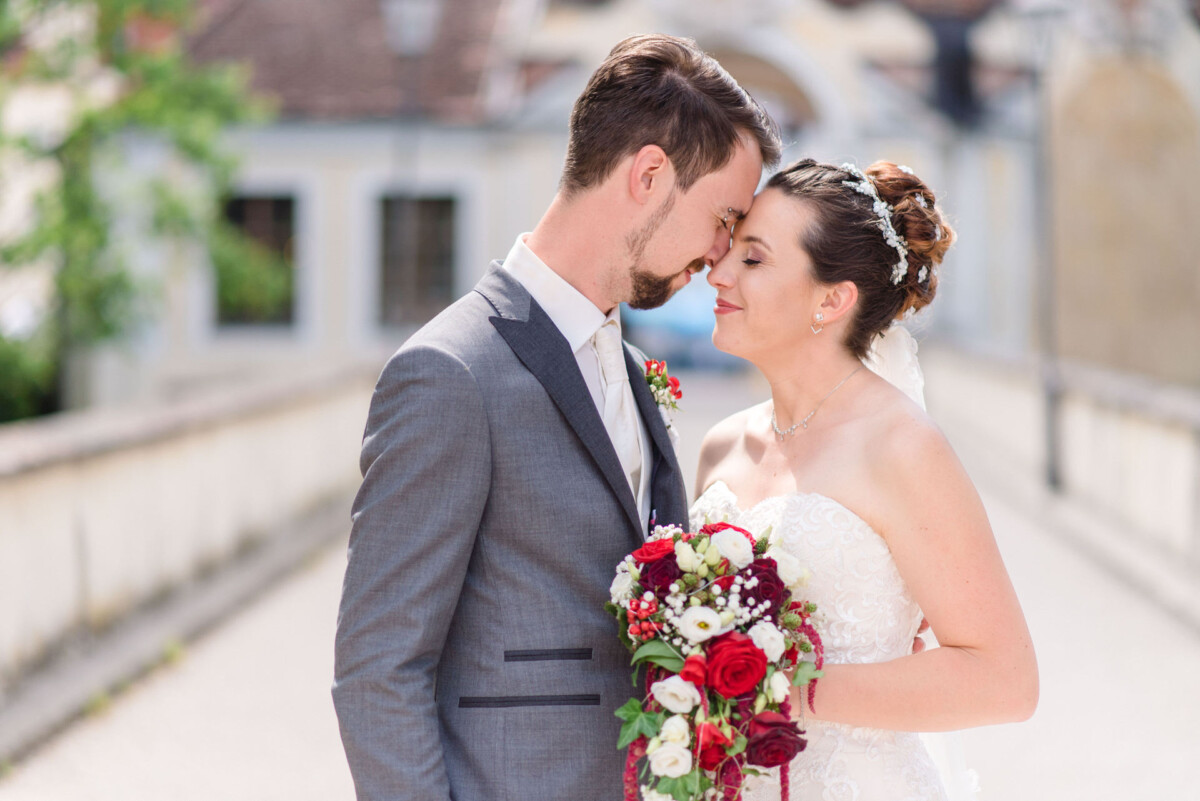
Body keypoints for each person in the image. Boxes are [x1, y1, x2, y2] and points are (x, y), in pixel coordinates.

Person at [332, 34, 780, 801]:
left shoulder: (634, 371)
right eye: (722, 217)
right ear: (648, 174)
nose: (719, 253)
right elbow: (378, 669)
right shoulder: (449, 374)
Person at [692, 158, 1039, 800]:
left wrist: (785, 691)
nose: (717, 274)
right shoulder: (719, 449)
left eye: (754, 259)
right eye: (729, 251)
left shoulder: (903, 448)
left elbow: (1005, 680)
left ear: (832, 299)